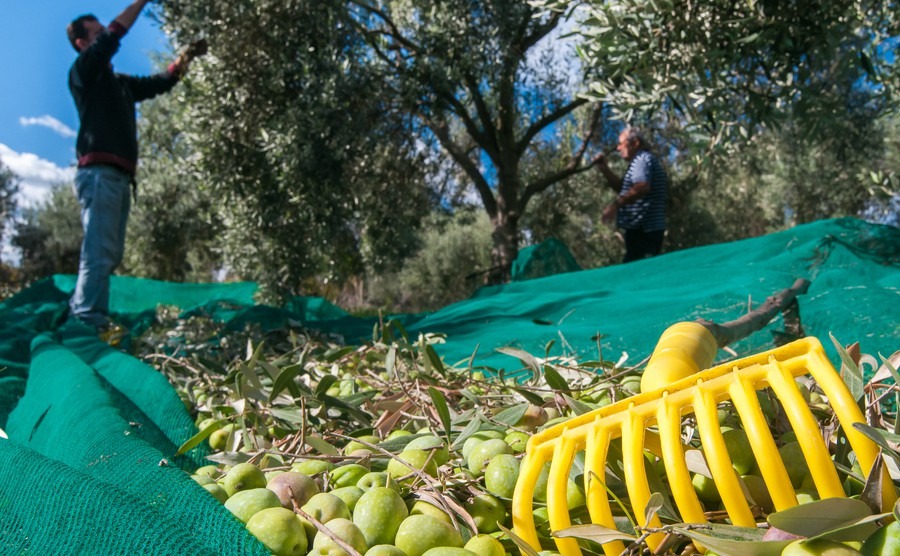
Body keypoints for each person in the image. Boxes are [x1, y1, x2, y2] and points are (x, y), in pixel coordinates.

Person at [66, 0, 207, 334]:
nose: (104, 36)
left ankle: (89, 315)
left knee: (109, 253)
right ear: (82, 44)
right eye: (96, 33)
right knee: (99, 253)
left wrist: (184, 60)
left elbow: (160, 82)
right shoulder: (84, 73)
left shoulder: (120, 84)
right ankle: (85, 322)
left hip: (118, 177)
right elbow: (113, 35)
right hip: (99, 175)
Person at [592, 127, 668, 263]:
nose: (618, 148)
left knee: (638, 274)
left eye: (621, 143)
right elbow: (624, 189)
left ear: (636, 143)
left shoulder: (641, 160)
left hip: (645, 232)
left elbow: (642, 187)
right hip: (642, 232)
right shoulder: (640, 162)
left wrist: (614, 206)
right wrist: (604, 169)